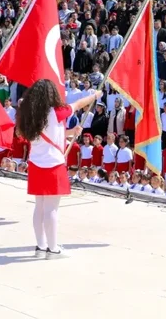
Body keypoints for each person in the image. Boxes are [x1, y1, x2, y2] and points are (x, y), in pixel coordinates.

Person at [16, 79, 101, 258]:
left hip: (36, 164)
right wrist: (94, 95)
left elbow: (46, 134)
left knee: (39, 207)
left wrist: (70, 133)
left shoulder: (30, 115)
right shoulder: (56, 112)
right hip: (53, 165)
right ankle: (53, 248)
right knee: (51, 209)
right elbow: (78, 104)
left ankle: (41, 245)